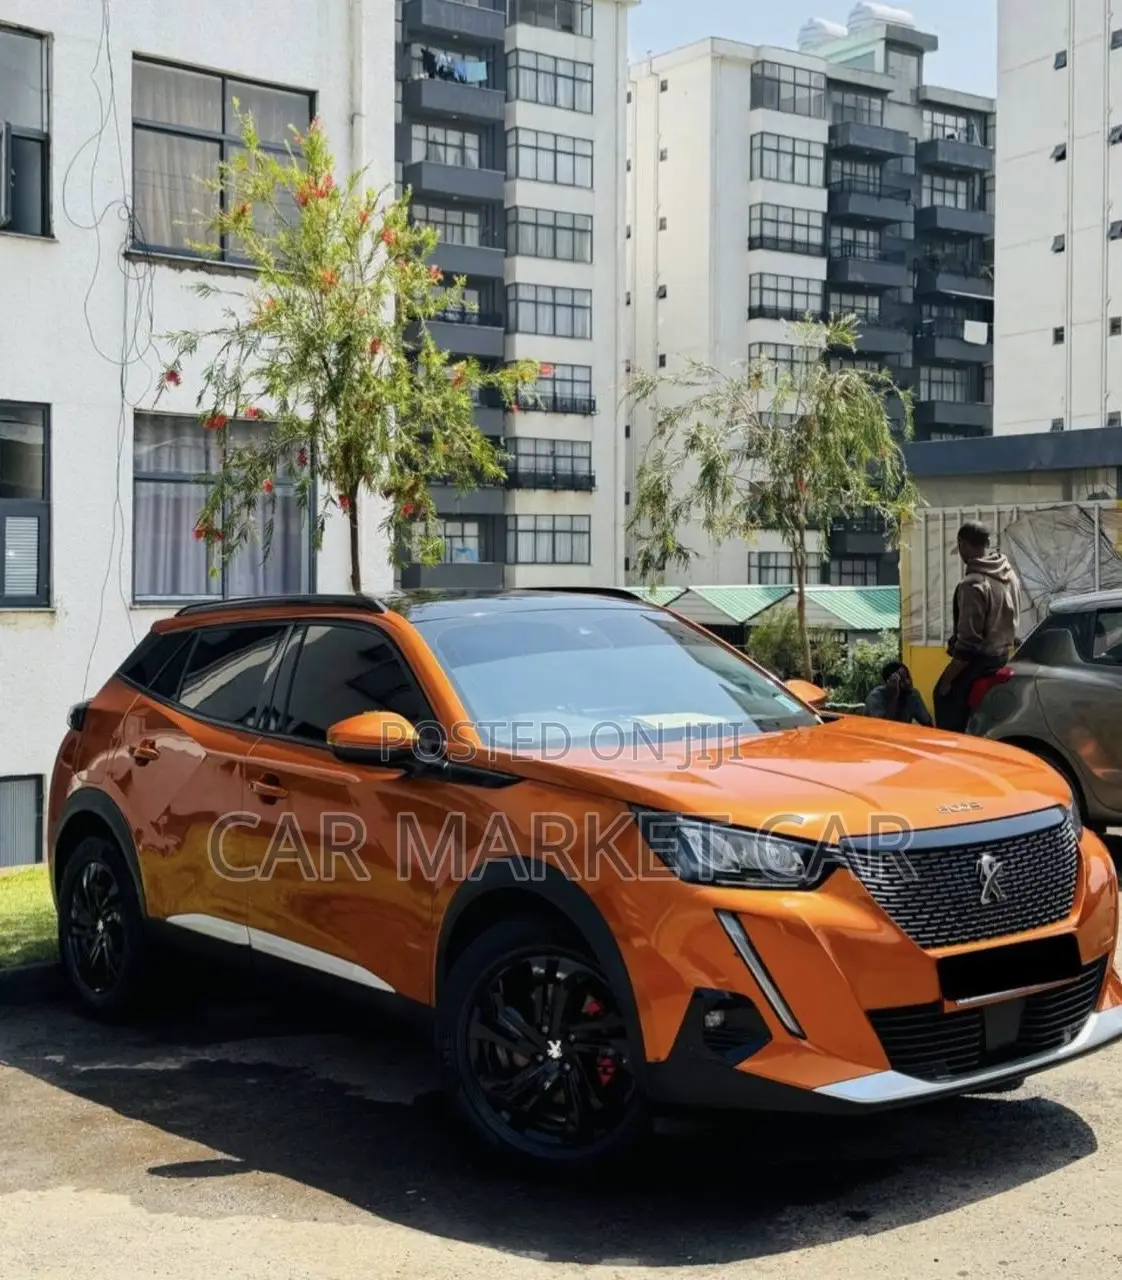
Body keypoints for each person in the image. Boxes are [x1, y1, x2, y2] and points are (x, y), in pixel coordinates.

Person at [934, 521, 1020, 733]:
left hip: (979, 661)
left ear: (962, 544)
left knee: (941, 695)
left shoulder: (972, 584)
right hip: (1003, 656)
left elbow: (968, 645)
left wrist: (947, 681)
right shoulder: (1008, 574)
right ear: (987, 543)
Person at [865, 661, 933, 726]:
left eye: (908, 677)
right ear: (889, 683)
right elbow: (883, 728)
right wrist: (893, 697)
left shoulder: (912, 694)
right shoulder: (875, 698)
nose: (908, 682)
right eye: (902, 680)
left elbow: (928, 724)